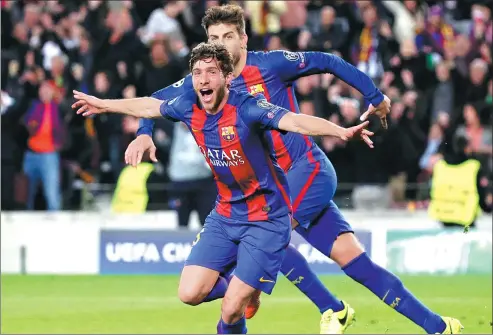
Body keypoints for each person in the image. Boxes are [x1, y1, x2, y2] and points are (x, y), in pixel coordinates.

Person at [126, 5, 463, 335]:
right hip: (278, 185)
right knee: (355, 262)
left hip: (307, 169)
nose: (220, 44)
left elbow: (327, 61)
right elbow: (152, 102)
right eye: (213, 37)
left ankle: (325, 307)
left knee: (266, 231)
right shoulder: (205, 82)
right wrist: (143, 133)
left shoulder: (271, 64)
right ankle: (438, 326)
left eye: (228, 36)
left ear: (243, 39)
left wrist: (374, 96)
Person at [72, 42, 374, 334]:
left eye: (212, 72)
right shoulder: (187, 104)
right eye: (198, 73)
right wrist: (104, 105)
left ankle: (245, 289)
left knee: (231, 309)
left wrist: (341, 131)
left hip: (266, 217)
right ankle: (247, 284)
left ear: (227, 78)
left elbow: (295, 121)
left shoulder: (248, 107)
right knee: (189, 293)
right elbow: (150, 105)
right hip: (226, 213)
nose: (203, 79)